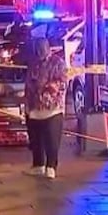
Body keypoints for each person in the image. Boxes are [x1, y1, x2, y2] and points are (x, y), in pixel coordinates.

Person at [23, 37, 68, 180]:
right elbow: (29, 83)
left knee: (52, 140)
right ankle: (38, 165)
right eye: (38, 48)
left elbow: (62, 82)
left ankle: (51, 166)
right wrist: (27, 103)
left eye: (42, 48)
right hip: (34, 108)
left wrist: (48, 89)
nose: (40, 51)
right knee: (36, 139)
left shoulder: (58, 63)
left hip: (52, 108)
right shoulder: (34, 63)